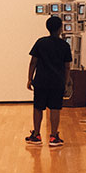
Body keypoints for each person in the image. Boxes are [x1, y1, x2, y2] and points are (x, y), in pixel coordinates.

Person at [25, 15, 72, 148]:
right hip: (57, 82)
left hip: (41, 81)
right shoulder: (64, 45)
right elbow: (67, 66)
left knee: (38, 107)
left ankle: (36, 135)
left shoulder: (40, 42)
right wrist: (66, 82)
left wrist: (29, 79)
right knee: (55, 108)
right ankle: (53, 136)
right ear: (60, 29)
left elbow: (33, 62)